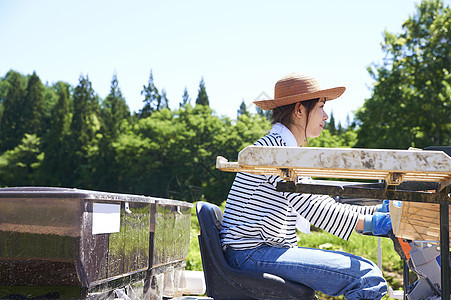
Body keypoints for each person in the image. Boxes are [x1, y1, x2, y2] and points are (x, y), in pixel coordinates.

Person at [220, 73, 392, 300]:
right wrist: (373, 223)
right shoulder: (277, 152)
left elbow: (318, 200)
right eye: (321, 107)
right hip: (251, 254)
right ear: (299, 110)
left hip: (258, 252)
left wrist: (377, 212)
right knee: (367, 279)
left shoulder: (285, 148)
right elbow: (311, 207)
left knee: (367, 268)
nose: (326, 116)